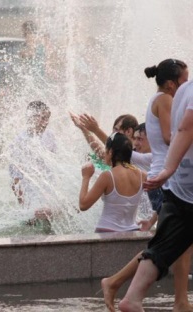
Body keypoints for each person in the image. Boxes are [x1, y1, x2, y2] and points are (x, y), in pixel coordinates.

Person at [102, 59, 190, 312]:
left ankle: (177, 299)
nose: (186, 85)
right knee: (173, 243)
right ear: (172, 83)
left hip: (165, 176)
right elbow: (168, 136)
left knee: (173, 242)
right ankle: (178, 301)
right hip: (167, 178)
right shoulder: (164, 99)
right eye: (184, 80)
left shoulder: (162, 99)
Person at [79, 132, 146, 232]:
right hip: (132, 232)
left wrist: (86, 177)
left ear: (110, 151)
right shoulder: (143, 175)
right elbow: (162, 199)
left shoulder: (107, 176)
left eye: (105, 149)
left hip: (107, 232)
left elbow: (83, 205)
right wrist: (152, 221)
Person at [9, 101, 57, 223]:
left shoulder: (50, 135)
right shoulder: (19, 142)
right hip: (32, 196)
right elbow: (15, 180)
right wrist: (25, 209)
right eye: (43, 118)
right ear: (32, 117)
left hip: (49, 192)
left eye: (47, 118)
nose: (46, 122)